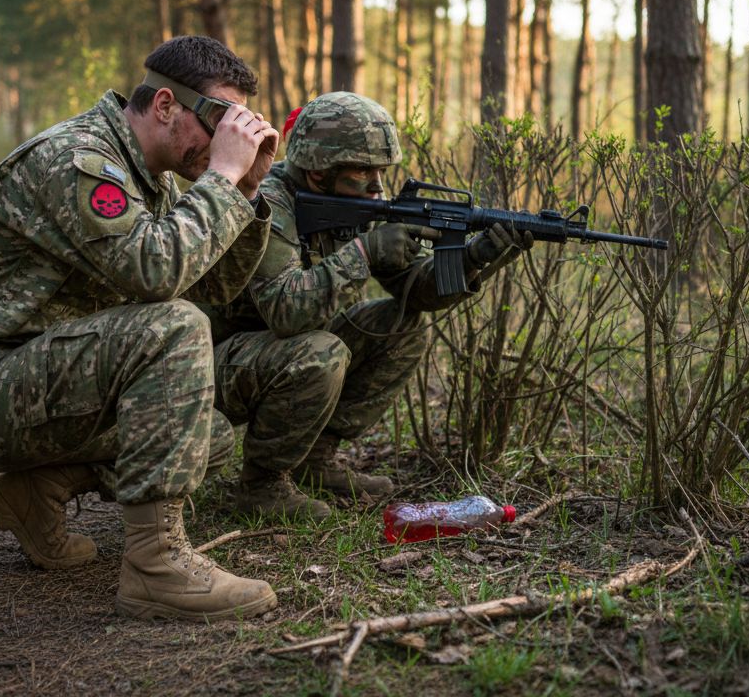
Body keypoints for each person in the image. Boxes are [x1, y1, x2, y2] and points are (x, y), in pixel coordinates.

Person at [0, 35, 281, 621]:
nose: (224, 144)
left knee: (203, 434)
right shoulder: (79, 158)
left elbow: (207, 291)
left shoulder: (150, 176)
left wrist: (243, 187)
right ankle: (155, 568)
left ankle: (38, 491)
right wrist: (220, 178)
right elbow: (160, 276)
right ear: (165, 106)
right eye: (220, 123)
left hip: (32, 374)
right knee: (173, 328)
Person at [204, 92, 534, 520]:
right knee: (321, 352)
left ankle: (314, 459)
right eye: (363, 170)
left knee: (402, 326)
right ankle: (262, 485)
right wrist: (364, 253)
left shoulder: (354, 204)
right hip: (210, 368)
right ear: (320, 171)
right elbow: (285, 311)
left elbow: (416, 291)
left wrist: (476, 256)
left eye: (382, 171)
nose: (378, 187)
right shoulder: (265, 201)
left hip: (268, 357)